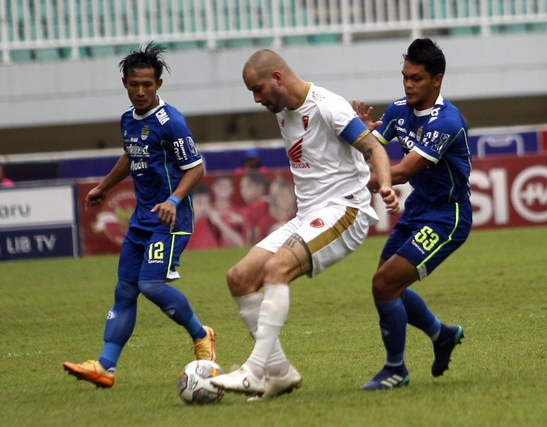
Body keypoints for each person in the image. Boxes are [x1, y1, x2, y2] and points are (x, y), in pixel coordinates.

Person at [209, 49, 399, 400]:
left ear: (277, 78)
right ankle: (280, 373)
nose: (257, 99)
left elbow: (374, 149)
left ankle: (254, 370)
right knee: (239, 277)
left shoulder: (328, 105)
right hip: (308, 216)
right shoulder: (283, 109)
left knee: (277, 268)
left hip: (346, 211)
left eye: (258, 89)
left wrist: (385, 185)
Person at [63, 42, 216, 388]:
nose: (141, 91)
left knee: (150, 285)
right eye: (135, 85)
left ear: (159, 84)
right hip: (141, 220)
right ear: (125, 84)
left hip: (171, 221)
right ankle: (105, 366)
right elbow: (130, 157)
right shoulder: (128, 120)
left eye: (148, 85)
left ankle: (201, 334)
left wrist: (174, 201)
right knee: (125, 289)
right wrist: (104, 186)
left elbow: (196, 169)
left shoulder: (171, 122)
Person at [352, 38, 472, 390]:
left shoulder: (447, 122)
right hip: (419, 209)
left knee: (385, 284)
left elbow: (402, 170)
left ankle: (395, 369)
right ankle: (441, 334)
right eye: (405, 77)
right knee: (387, 285)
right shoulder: (397, 110)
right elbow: (374, 147)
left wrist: (363, 186)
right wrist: (362, 135)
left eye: (416, 78)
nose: (408, 85)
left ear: (437, 79)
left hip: (447, 217)